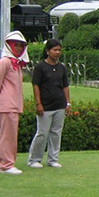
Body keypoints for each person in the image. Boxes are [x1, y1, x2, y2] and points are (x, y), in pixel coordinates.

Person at [27, 39, 71, 169]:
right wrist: (38, 103)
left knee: (56, 133)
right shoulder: (40, 67)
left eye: (59, 50)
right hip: (45, 106)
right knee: (42, 133)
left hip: (59, 105)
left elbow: (65, 86)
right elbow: (36, 86)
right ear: (48, 51)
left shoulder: (61, 67)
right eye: (55, 50)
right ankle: (34, 159)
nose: (57, 52)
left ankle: (52, 159)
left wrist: (67, 103)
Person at [0, 31, 29, 175]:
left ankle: (3, 162)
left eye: (20, 45)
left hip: (13, 104)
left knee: (9, 135)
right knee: (7, 136)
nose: (18, 48)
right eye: (16, 45)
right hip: (7, 104)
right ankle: (6, 164)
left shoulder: (16, 63)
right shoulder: (5, 62)